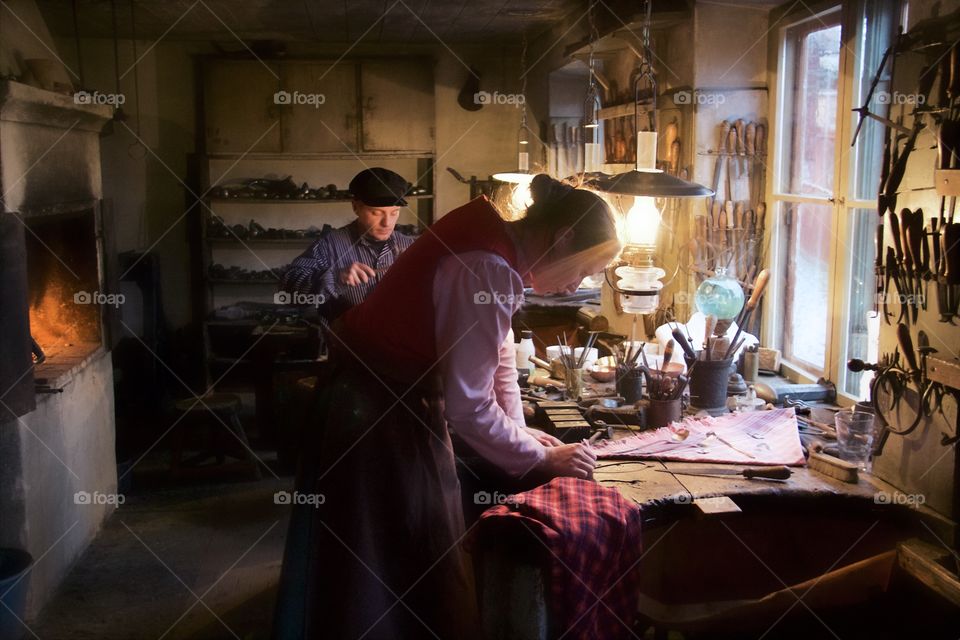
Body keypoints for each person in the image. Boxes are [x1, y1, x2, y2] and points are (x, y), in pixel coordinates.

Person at [274, 174, 621, 640]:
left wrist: (522, 433)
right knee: (385, 556)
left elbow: (497, 356)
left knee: (405, 549)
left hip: (381, 396)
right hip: (375, 409)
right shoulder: (488, 264)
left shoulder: (496, 245)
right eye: (585, 268)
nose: (578, 283)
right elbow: (469, 407)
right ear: (562, 238)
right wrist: (539, 458)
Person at [280, 167, 416, 318]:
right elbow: (287, 292)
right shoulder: (329, 245)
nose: (387, 223)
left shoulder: (410, 246)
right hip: (343, 339)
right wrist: (336, 278)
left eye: (394, 212)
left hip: (394, 339)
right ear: (356, 207)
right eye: (376, 213)